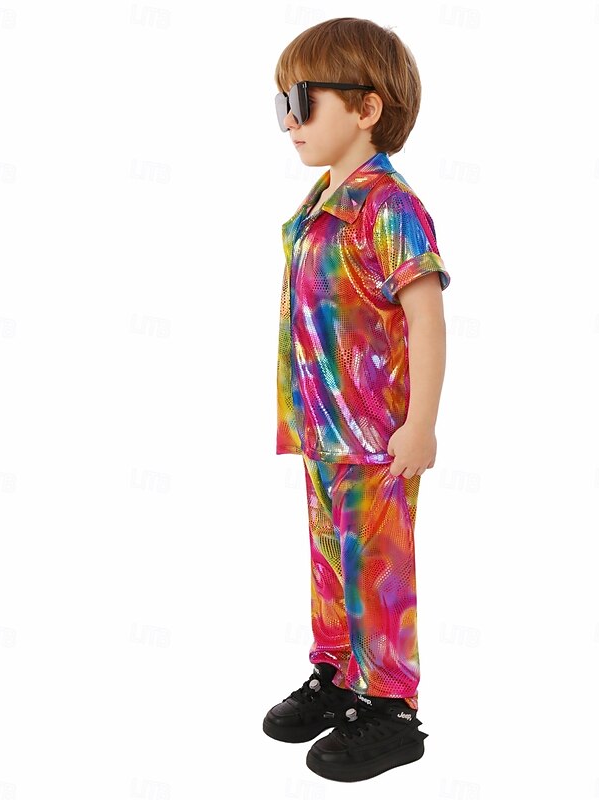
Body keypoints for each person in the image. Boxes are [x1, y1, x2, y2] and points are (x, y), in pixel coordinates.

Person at [262, 17, 451, 782]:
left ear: (366, 108)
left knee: (377, 569)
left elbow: (426, 316)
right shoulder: (318, 203)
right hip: (320, 428)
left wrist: (420, 425)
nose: (290, 121)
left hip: (375, 436)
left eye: (303, 101)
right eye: (281, 104)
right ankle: (339, 673)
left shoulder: (387, 206)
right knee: (329, 562)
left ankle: (391, 706)